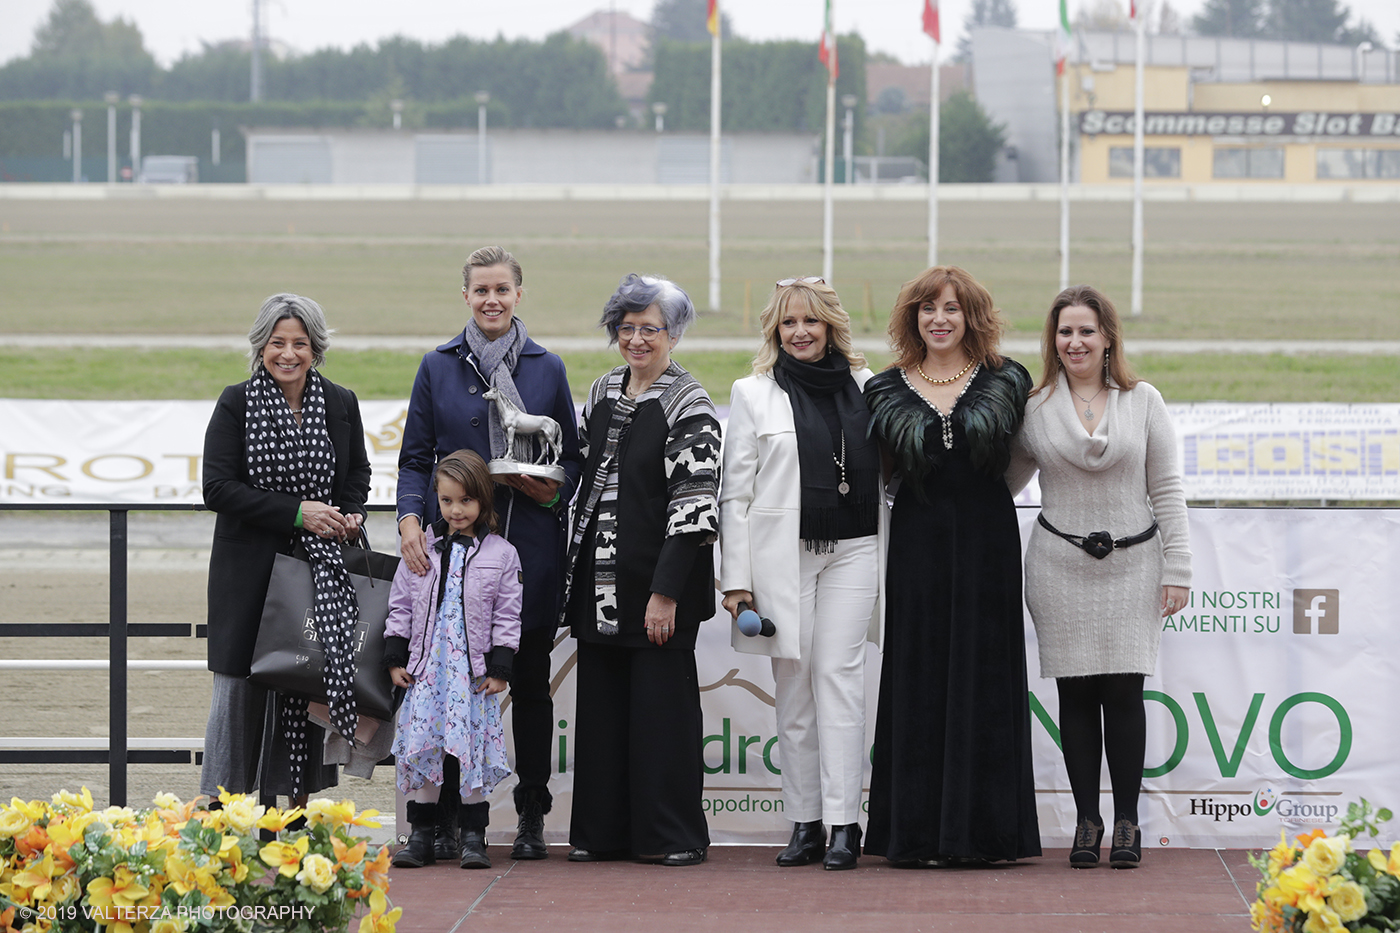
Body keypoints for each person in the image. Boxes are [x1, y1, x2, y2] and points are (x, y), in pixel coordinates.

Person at [397, 246, 581, 862]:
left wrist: (548, 493)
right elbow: (415, 457)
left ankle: (531, 811)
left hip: (527, 553)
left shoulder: (547, 367)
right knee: (451, 682)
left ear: (519, 295)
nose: (492, 300)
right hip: (451, 559)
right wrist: (409, 520)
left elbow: (572, 460)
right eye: (481, 291)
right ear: (467, 296)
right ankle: (444, 819)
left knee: (528, 683)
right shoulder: (437, 365)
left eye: (502, 289)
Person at [1007, 285, 1191, 870]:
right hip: (1058, 569)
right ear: (1052, 340)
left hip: (1135, 567)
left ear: (1108, 336)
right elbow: (1002, 485)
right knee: (1075, 693)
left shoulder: (1144, 401)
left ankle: (1129, 822)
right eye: (1065, 331)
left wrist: (1179, 568)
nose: (1075, 341)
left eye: (1086, 330)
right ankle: (1089, 821)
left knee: (1124, 693)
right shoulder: (1034, 407)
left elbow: (1167, 491)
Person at [862, 266, 1041, 865]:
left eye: (952, 309)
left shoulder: (1008, 379)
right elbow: (886, 473)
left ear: (972, 317)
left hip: (988, 543)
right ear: (912, 317)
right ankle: (913, 835)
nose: (939, 319)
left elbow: (1017, 465)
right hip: (917, 544)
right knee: (917, 672)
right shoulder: (884, 388)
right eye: (927, 309)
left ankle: (988, 834)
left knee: (986, 674)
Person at [718, 277, 883, 871]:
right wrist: (735, 583)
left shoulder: (870, 387)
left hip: (856, 548)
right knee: (794, 689)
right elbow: (734, 497)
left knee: (839, 678)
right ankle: (805, 821)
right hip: (783, 560)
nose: (800, 333)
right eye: (788, 323)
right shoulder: (752, 393)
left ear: (832, 326)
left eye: (810, 321)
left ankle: (845, 824)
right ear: (775, 330)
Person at [562, 273, 721, 867]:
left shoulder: (690, 403)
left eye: (648, 329)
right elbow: (580, 472)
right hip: (599, 588)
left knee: (661, 722)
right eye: (625, 328)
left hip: (658, 592)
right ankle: (601, 833)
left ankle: (671, 836)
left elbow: (694, 508)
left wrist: (665, 594)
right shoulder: (603, 391)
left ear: (673, 334)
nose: (635, 339)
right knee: (601, 719)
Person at [201, 293, 371, 806]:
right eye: (278, 343)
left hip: (317, 575)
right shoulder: (236, 401)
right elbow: (218, 488)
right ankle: (223, 813)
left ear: (317, 349)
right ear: (261, 346)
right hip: (249, 575)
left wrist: (350, 511)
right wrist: (300, 512)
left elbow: (357, 473)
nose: (288, 353)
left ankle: (293, 810)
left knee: (302, 684)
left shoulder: (341, 402)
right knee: (239, 694)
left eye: (300, 343)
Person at [384, 450, 523, 870]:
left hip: (472, 676)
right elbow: (401, 605)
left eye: (465, 500)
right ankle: (421, 836)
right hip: (427, 672)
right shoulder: (421, 547)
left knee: (471, 753)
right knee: (425, 750)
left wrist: (500, 668)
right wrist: (395, 656)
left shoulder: (501, 554)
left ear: (483, 500)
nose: (456, 510)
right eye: (446, 501)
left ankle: (473, 838)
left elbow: (507, 613)